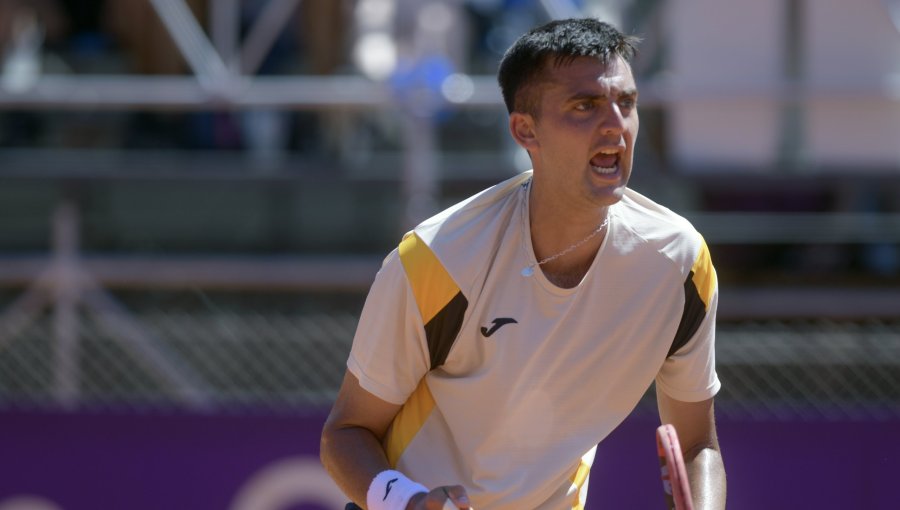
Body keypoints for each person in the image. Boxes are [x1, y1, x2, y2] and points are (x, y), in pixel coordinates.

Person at [321, 18, 726, 510]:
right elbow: (346, 433)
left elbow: (696, 446)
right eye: (585, 105)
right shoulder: (438, 261)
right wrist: (408, 502)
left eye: (626, 103)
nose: (616, 125)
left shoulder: (680, 265)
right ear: (525, 130)